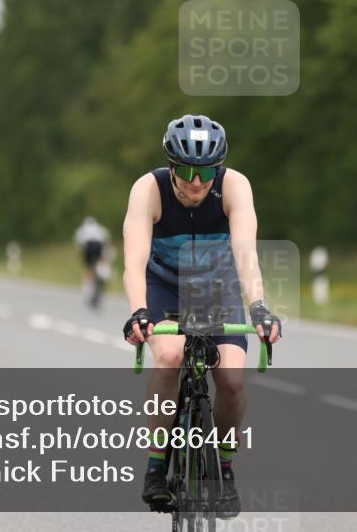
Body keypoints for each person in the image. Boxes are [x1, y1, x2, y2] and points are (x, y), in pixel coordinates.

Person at [121, 114, 282, 518]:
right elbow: (134, 260)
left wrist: (259, 306)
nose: (197, 181)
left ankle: (223, 469)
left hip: (216, 286)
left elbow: (246, 253)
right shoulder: (148, 189)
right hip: (164, 286)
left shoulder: (234, 185)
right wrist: (139, 311)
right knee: (171, 356)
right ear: (172, 167)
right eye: (188, 170)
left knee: (230, 379)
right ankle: (157, 465)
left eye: (207, 170)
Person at [74, 216, 110, 305]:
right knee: (101, 263)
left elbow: (79, 244)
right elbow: (106, 240)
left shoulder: (82, 229)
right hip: (98, 247)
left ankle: (88, 288)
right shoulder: (99, 228)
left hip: (88, 247)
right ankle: (102, 275)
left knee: (88, 267)